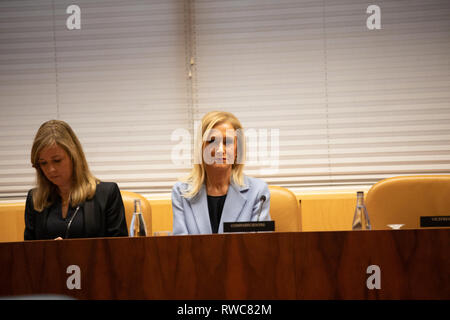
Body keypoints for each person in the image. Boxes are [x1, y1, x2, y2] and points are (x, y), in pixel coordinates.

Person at [24, 120, 128, 240]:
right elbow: (29, 253)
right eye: (43, 163)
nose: (50, 169)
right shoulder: (35, 199)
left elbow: (120, 252)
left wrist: (73, 251)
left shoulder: (107, 194)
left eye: (57, 160)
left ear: (74, 157)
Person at [172, 111, 271, 234]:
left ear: (237, 150)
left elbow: (259, 246)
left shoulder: (258, 193)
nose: (219, 149)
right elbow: (180, 247)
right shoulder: (181, 193)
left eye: (227, 142)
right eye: (212, 141)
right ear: (201, 147)